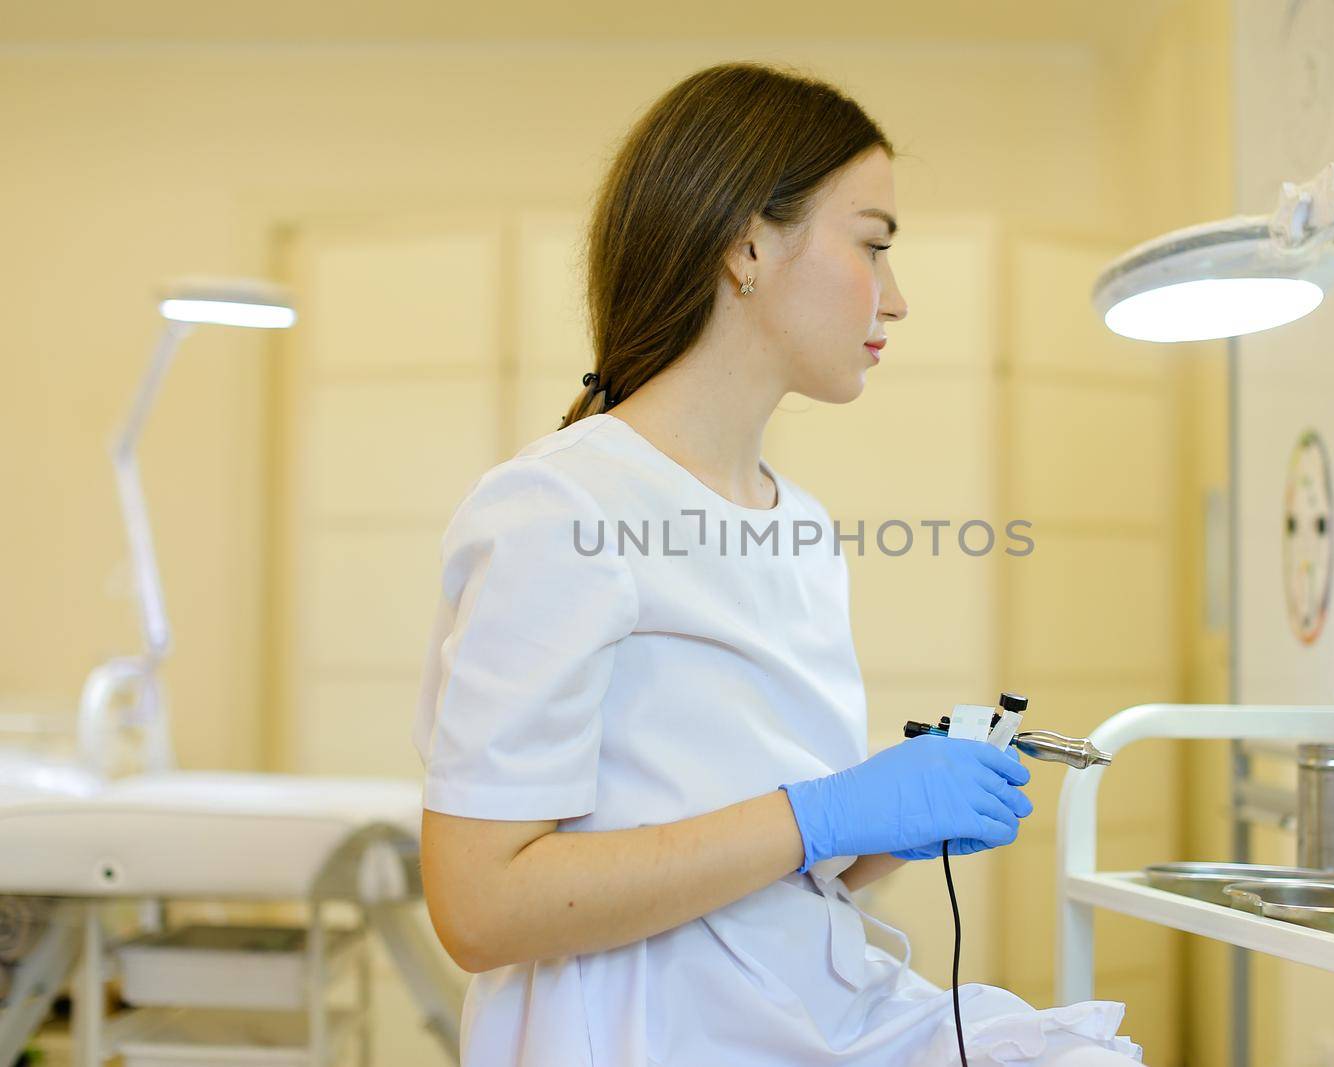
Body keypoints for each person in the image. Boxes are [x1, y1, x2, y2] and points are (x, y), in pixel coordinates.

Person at [413, 62, 1142, 1066]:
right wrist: (827, 810)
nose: (896, 297)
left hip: (809, 1004)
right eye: (873, 245)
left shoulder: (793, 521)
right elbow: (481, 906)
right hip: (647, 1034)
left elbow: (778, 865)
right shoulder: (564, 506)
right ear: (749, 244)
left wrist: (893, 821)